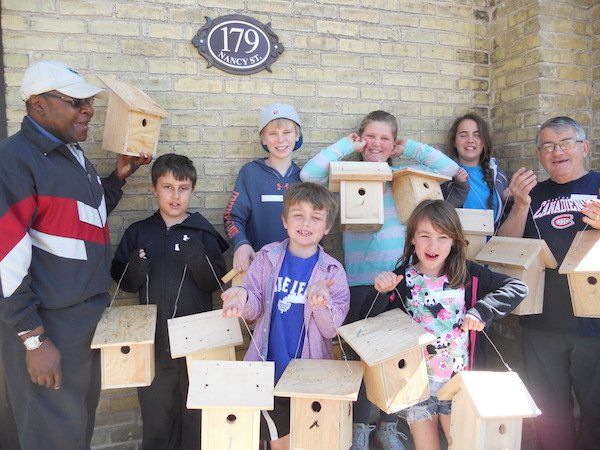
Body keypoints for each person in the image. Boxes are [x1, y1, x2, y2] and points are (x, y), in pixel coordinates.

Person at [0, 60, 152, 450]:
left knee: (76, 427)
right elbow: (5, 256)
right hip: (48, 324)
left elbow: (84, 219)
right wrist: (33, 339)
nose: (88, 111)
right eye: (76, 102)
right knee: (52, 435)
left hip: (84, 320)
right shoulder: (14, 160)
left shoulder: (72, 154)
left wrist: (117, 179)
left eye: (89, 102)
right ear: (38, 104)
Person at [300, 110, 460, 449]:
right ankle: (359, 428)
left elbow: (450, 171)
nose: (377, 143)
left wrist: (409, 148)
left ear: (393, 143)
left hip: (401, 284)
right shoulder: (347, 178)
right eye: (370, 136)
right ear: (361, 138)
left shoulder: (403, 180)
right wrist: (347, 145)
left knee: (398, 359)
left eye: (385, 138)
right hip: (359, 285)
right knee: (361, 358)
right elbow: (308, 174)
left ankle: (388, 426)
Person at [371, 199, 527, 450]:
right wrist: (381, 291)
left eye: (442, 237)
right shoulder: (401, 278)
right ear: (412, 239)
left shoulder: (468, 273)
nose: (433, 245)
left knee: (463, 444)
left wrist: (482, 311)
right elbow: (372, 322)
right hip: (417, 385)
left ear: (454, 240)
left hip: (458, 383)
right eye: (425, 236)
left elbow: (517, 287)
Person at [110, 153, 228, 450]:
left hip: (197, 344)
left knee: (195, 415)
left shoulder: (202, 232)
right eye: (168, 187)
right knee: (157, 417)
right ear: (154, 189)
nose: (176, 196)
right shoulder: (139, 232)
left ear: (192, 190)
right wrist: (135, 268)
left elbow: (216, 284)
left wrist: (198, 261)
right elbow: (124, 283)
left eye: (183, 188)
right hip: (154, 342)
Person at [221, 182, 350, 450]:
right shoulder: (267, 257)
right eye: (298, 215)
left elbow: (331, 330)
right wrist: (243, 297)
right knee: (280, 442)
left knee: (310, 441)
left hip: (311, 375)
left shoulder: (332, 272)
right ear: (284, 220)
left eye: (316, 217)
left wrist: (320, 303)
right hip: (271, 370)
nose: (306, 223)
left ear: (327, 227)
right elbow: (255, 308)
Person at [497, 116, 600, 450]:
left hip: (594, 324)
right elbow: (504, 249)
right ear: (540, 155)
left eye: (566, 143)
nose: (557, 151)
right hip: (541, 323)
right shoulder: (531, 195)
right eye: (548, 146)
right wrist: (520, 206)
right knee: (549, 415)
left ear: (585, 147)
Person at [223, 103, 303, 274]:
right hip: (258, 270)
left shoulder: (305, 178)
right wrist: (241, 244)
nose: (280, 139)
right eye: (273, 133)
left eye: (287, 132)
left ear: (297, 135)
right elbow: (232, 217)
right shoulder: (250, 173)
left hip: (297, 270)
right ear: (263, 139)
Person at [442, 112, 509, 225]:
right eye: (463, 135)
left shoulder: (498, 174)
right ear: (454, 142)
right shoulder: (444, 174)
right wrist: (460, 188)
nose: (470, 140)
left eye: (477, 135)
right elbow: (440, 216)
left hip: (494, 237)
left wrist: (509, 198)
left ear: (484, 142)